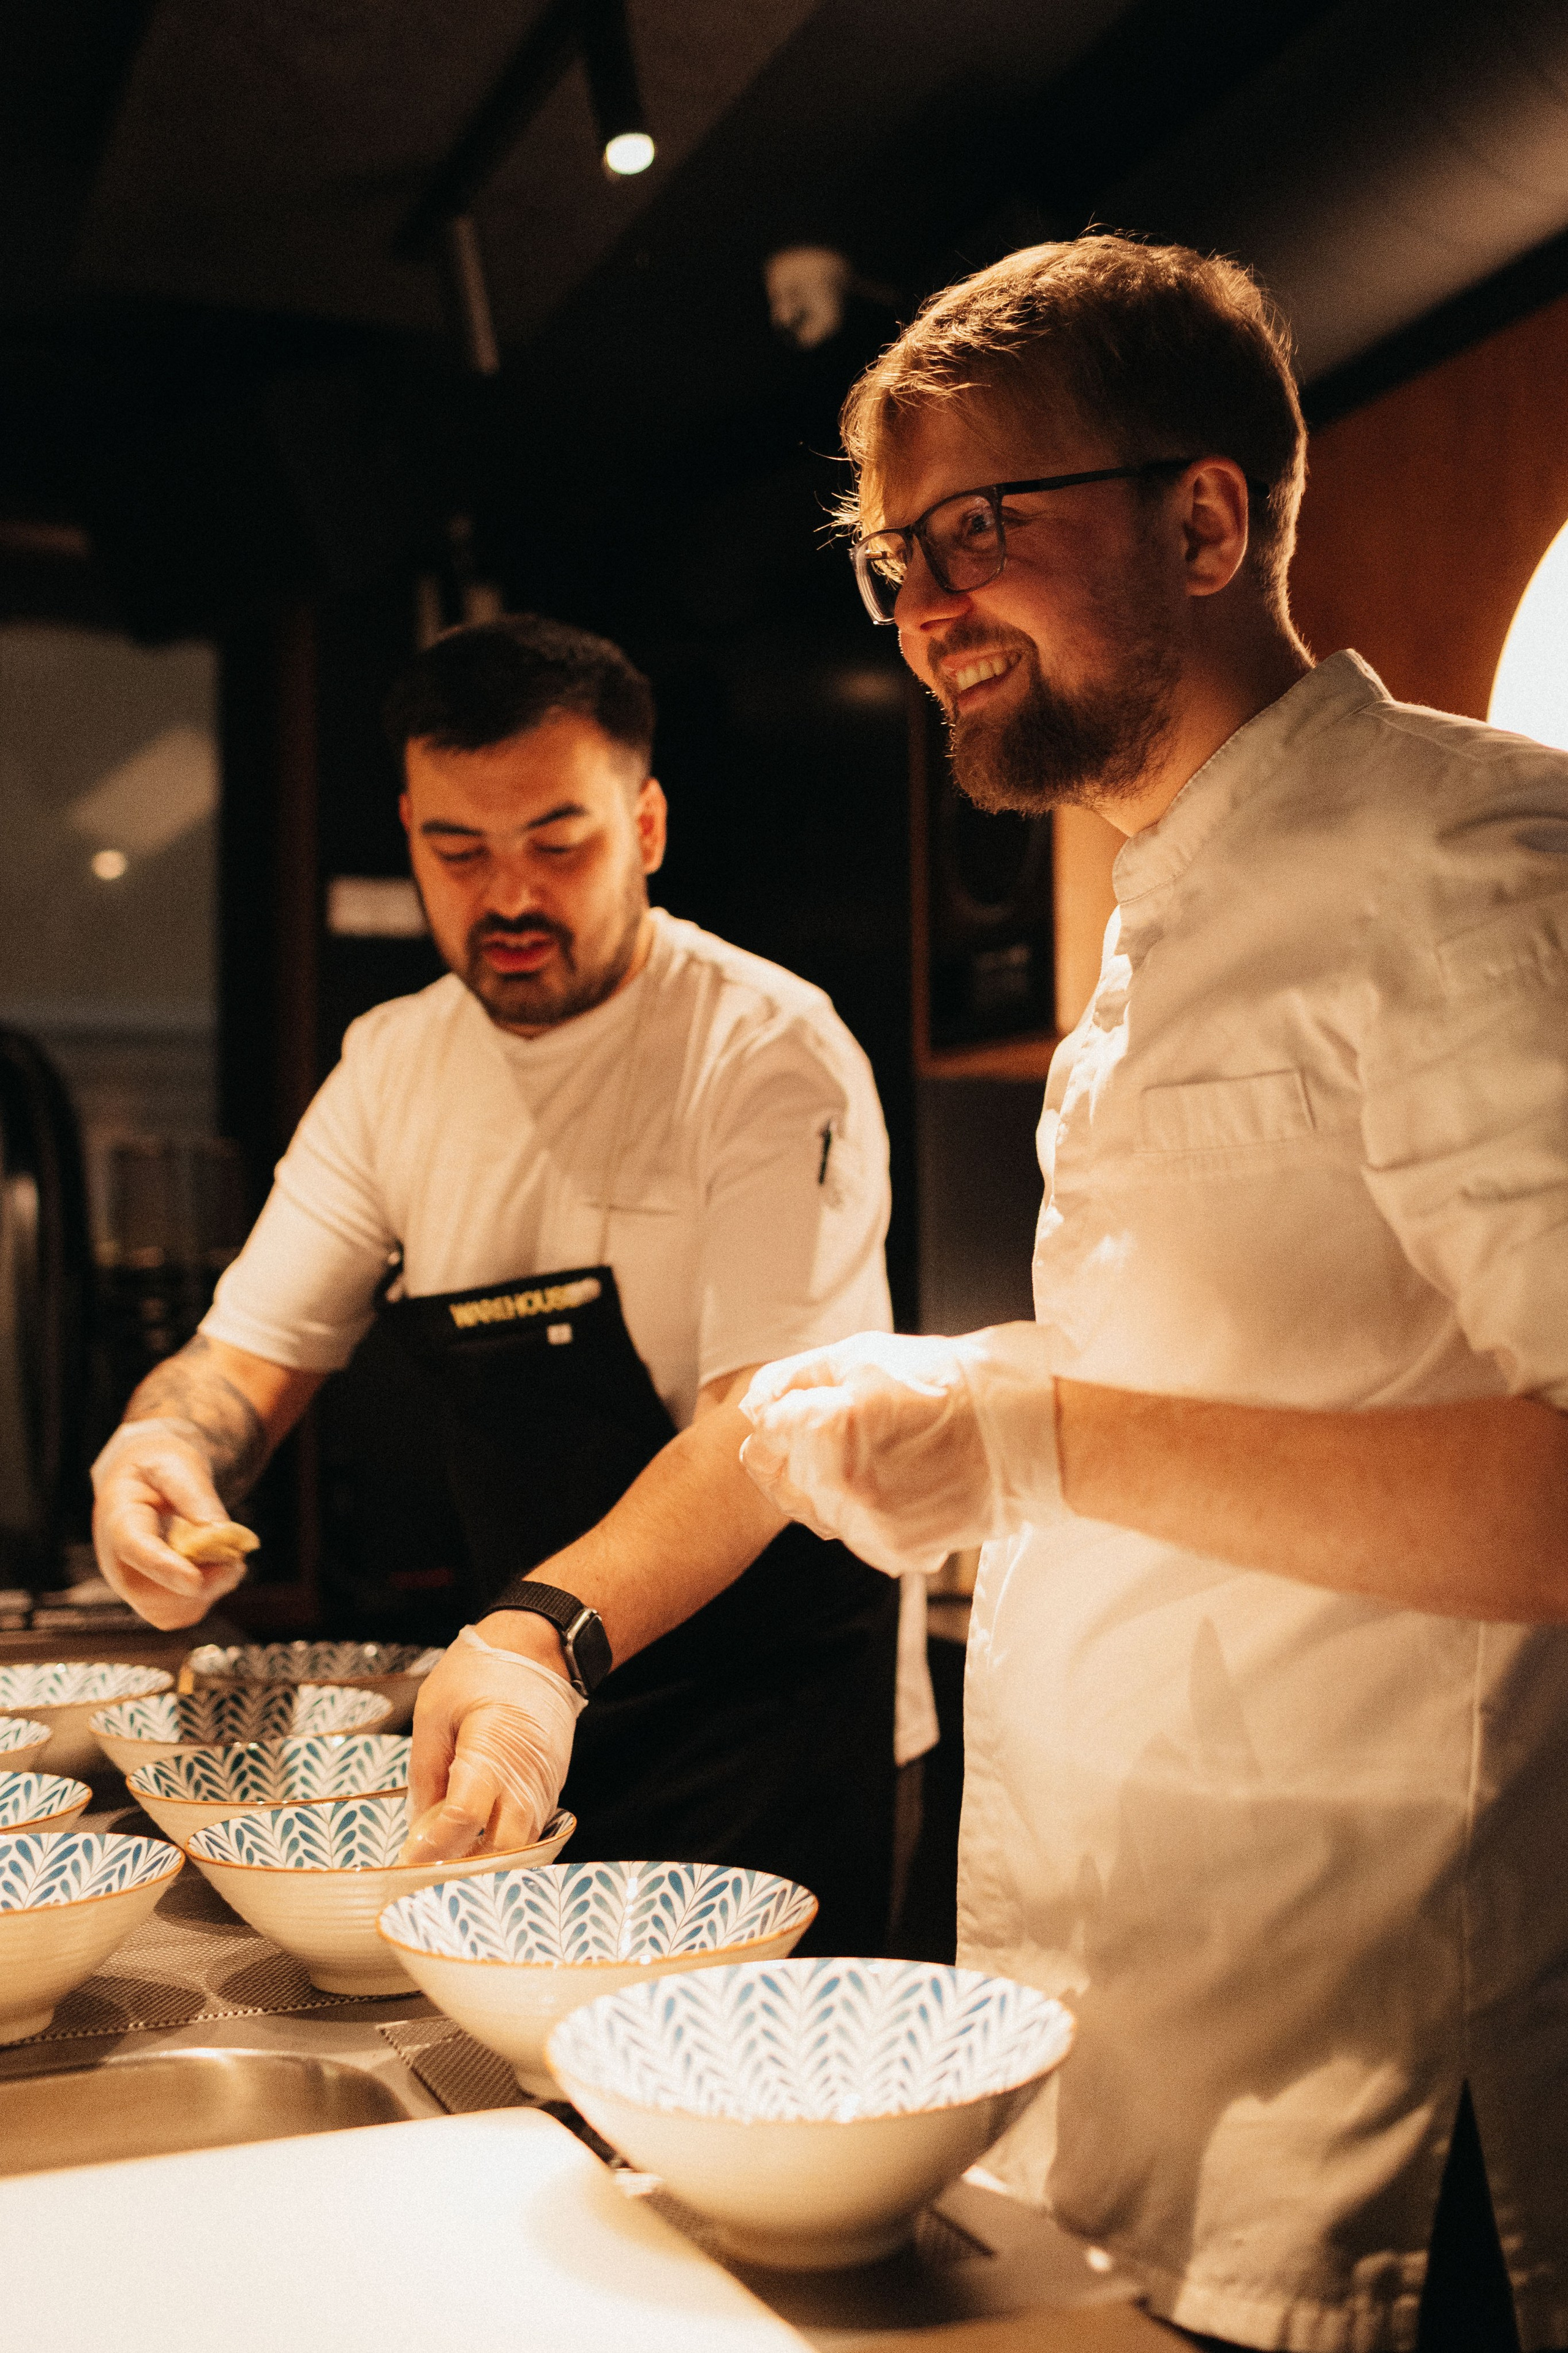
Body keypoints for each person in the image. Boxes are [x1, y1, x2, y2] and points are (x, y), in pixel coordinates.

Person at [738, 236, 1568, 2348]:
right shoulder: (1164, 902)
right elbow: (1280, 1372)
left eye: (978, 530)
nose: (924, 609)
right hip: (1147, 2049)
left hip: (1384, 2100)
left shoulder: (1466, 867)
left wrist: (1033, 1437)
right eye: (894, 557)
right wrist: (977, 1393)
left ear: (1205, 523)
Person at [91, 613, 933, 1953]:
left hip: (768, 1721)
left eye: (558, 844)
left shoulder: (765, 1050)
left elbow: (760, 1430)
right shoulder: (393, 1067)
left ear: (645, 827)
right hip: (517, 1720)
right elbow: (245, 1357)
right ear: (409, 831)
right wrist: (163, 1452)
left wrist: (534, 1639)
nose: (509, 898)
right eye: (459, 851)